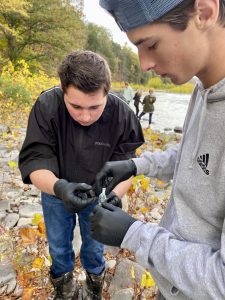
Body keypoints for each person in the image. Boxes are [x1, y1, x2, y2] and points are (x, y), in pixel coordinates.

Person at [90, 0, 225, 299]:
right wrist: (137, 166)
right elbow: (201, 158)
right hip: (174, 283)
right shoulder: (204, 88)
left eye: (151, 44)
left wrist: (134, 234)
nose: (144, 64)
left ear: (203, 12)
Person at [18, 50, 144, 300]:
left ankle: (94, 285)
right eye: (75, 106)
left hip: (99, 195)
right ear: (63, 91)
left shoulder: (122, 114)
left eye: (95, 107)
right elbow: (34, 161)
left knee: (94, 247)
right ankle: (63, 289)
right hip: (56, 190)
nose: (85, 116)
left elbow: (129, 165)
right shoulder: (47, 106)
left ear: (107, 92)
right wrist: (60, 188)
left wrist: (115, 197)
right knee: (58, 246)